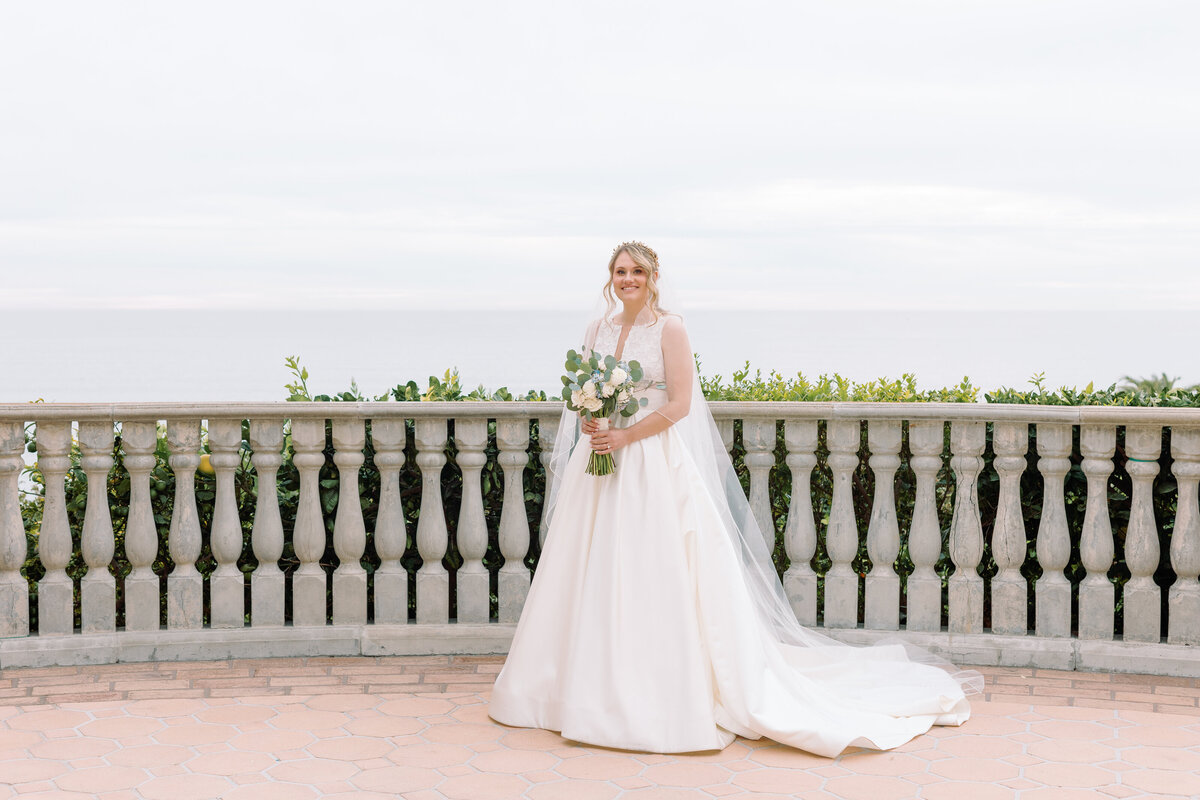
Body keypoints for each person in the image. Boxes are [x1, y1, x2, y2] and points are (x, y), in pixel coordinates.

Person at [488, 241, 980, 756]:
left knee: (652, 567)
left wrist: (626, 436)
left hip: (651, 463)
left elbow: (679, 404)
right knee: (589, 566)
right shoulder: (597, 330)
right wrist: (595, 419)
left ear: (654, 277)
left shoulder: (670, 328)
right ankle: (575, 688)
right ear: (609, 277)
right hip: (602, 462)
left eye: (636, 271)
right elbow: (588, 391)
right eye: (619, 271)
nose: (627, 279)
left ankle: (655, 690)